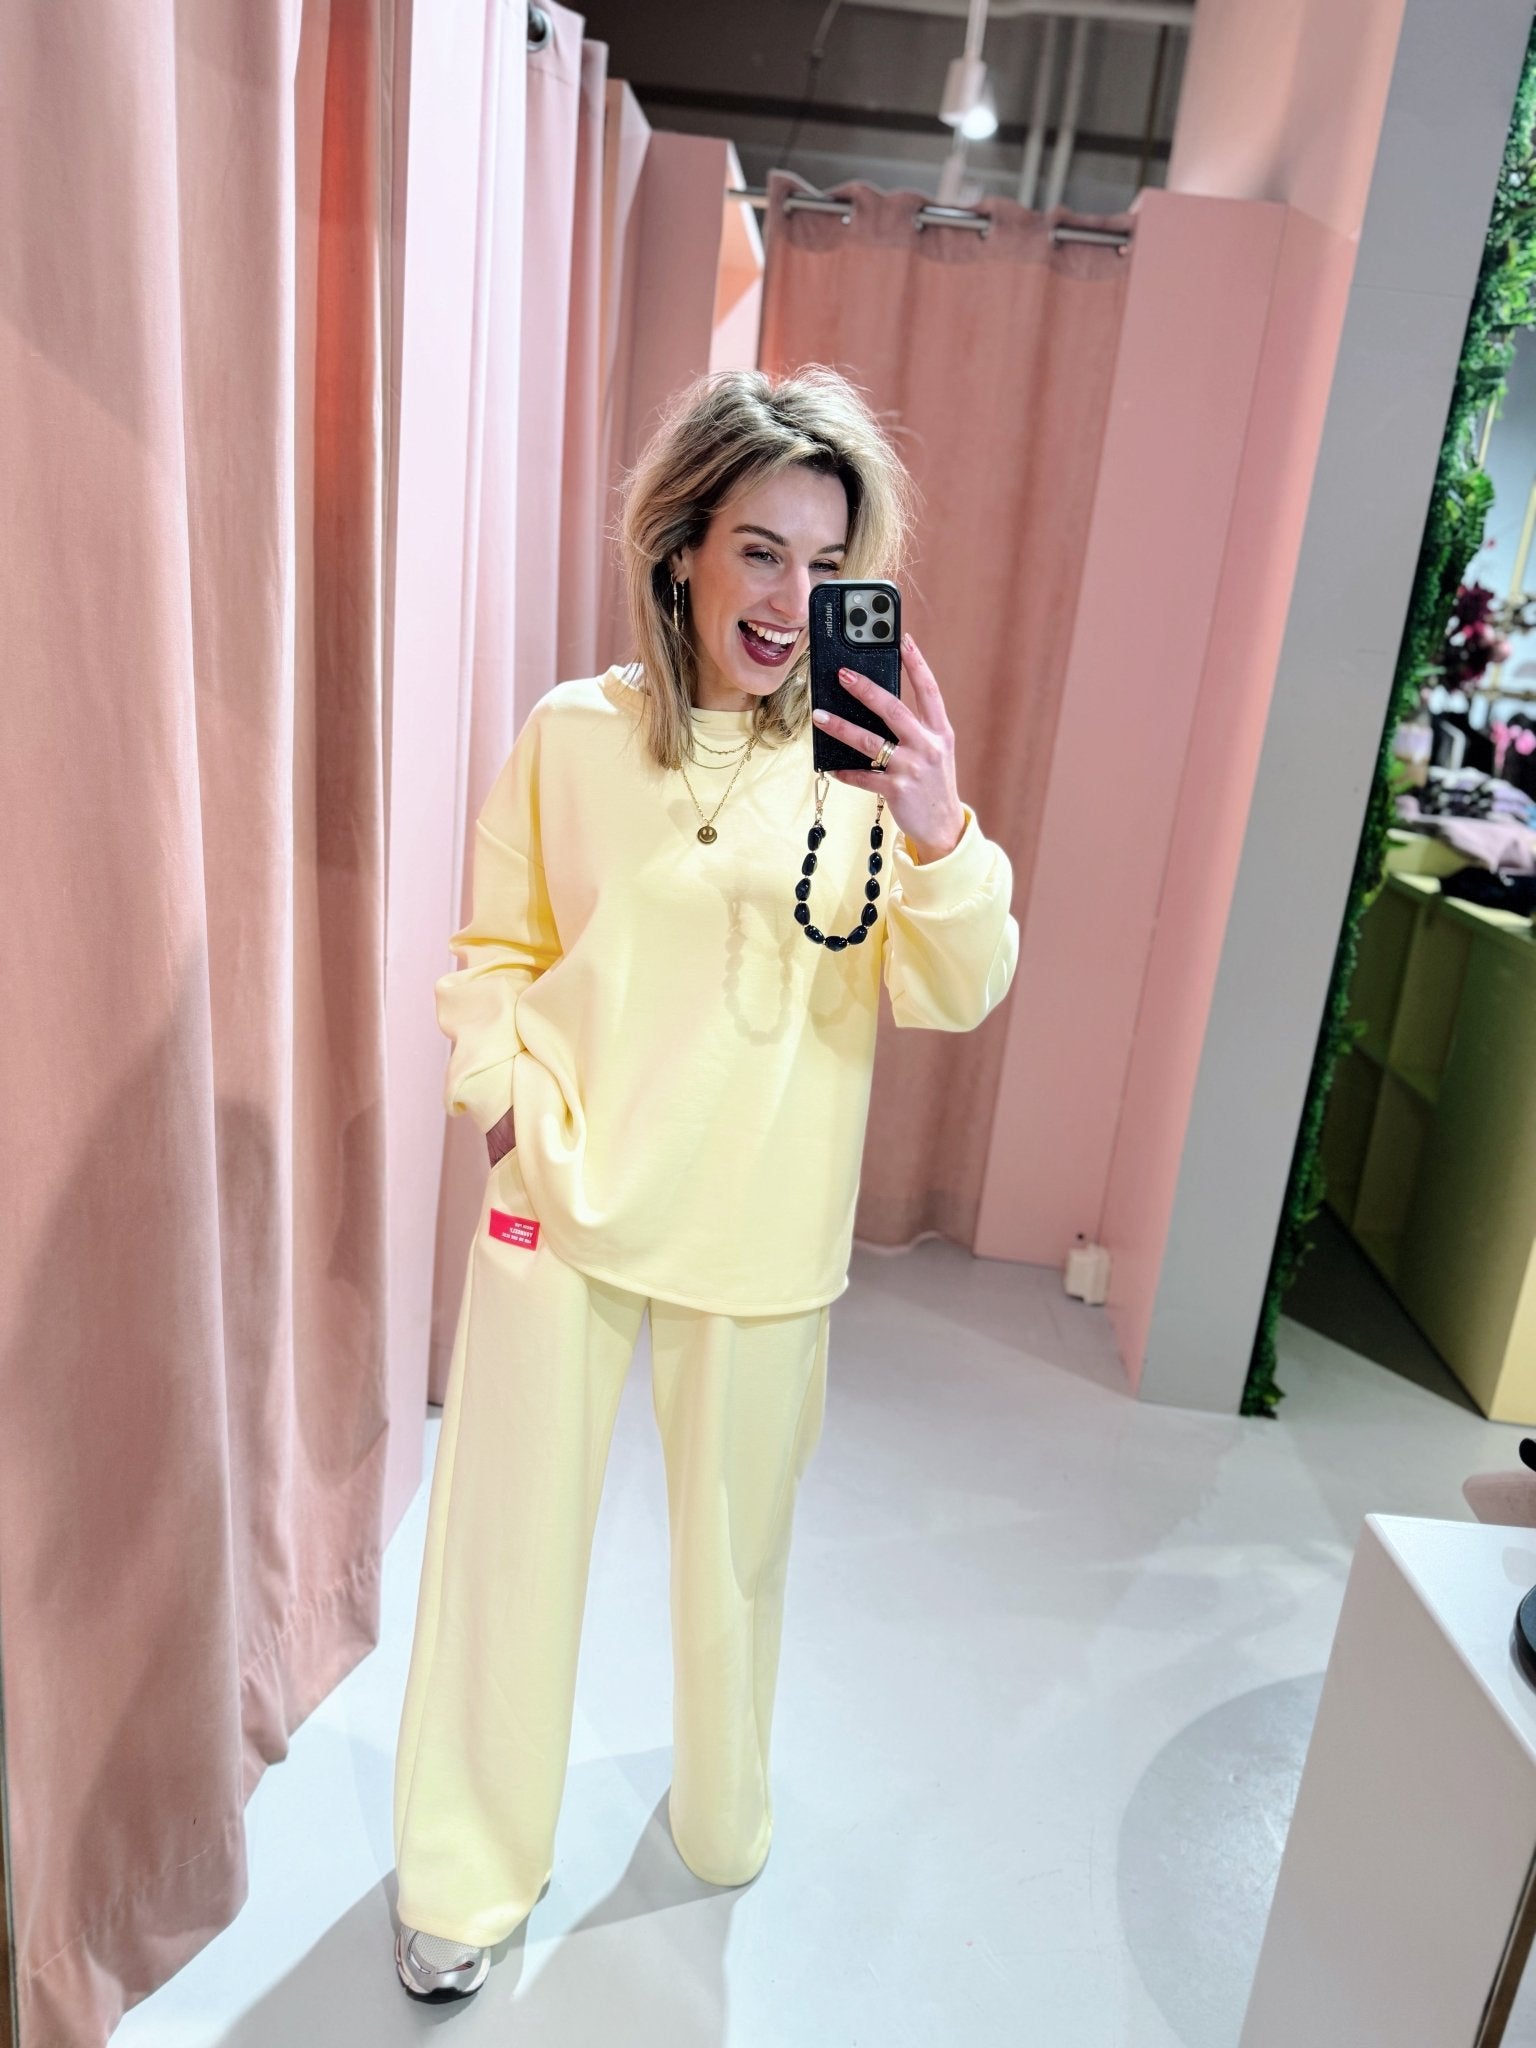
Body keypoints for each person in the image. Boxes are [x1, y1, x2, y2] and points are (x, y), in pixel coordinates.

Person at [392, 365, 1020, 2000]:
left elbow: (957, 989)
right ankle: (462, 1875)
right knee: (505, 1560)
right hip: (565, 1207)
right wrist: (506, 1111)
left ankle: (724, 1813)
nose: (791, 599)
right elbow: (494, 949)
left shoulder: (867, 766)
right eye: (759, 550)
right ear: (681, 548)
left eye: (827, 563)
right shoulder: (573, 734)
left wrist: (939, 830)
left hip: (763, 1231)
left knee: (735, 1570)